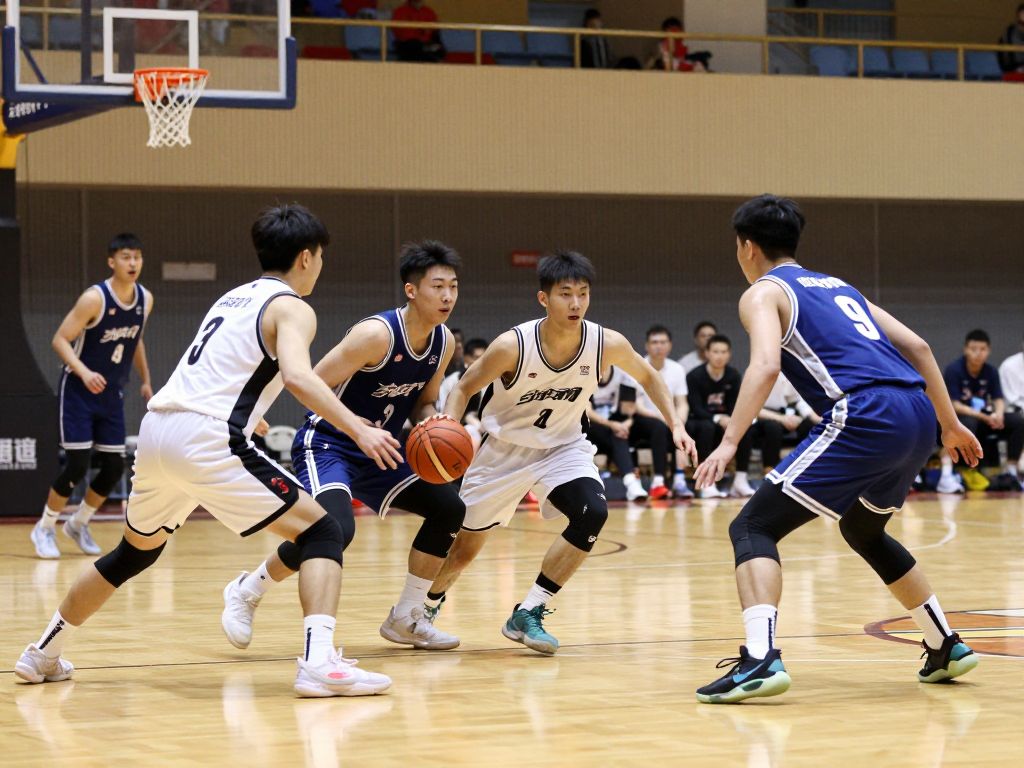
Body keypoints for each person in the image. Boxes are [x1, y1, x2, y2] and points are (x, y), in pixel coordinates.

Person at [16, 205, 400, 698]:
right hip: (207, 437)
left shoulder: (233, 297)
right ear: (306, 257)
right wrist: (358, 430)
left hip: (159, 430)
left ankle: (41, 652)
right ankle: (319, 662)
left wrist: (254, 413)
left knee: (131, 554)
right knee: (323, 529)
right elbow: (300, 377)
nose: (320, 266)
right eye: (320, 256)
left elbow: (220, 370)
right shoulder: (294, 306)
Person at [693, 195, 982, 704]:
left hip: (865, 412)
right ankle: (944, 645)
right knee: (864, 528)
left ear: (746, 246)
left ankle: (760, 659)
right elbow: (919, 347)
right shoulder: (838, 285)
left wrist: (730, 441)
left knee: (753, 526)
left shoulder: (763, 292)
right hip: (915, 411)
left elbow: (763, 366)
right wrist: (950, 423)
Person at [425, 251, 697, 655]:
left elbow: (649, 376)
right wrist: (448, 425)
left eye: (583, 294)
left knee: (593, 512)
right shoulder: (512, 345)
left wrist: (676, 423)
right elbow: (464, 387)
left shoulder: (605, 342)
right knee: (465, 548)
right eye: (565, 294)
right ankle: (425, 606)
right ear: (543, 299)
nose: (575, 303)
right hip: (504, 451)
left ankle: (529, 611)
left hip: (564, 446)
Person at [221, 241, 466, 653]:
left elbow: (423, 401)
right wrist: (354, 429)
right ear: (411, 291)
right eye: (437, 286)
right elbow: (311, 380)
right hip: (330, 443)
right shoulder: (376, 335)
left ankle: (406, 617)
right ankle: (248, 589)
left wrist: (436, 427)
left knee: (449, 508)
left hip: (381, 447)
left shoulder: (443, 344)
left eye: (453, 287)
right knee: (336, 530)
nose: (447, 296)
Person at [30, 234, 154, 560]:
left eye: (137, 257)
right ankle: (44, 528)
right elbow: (60, 339)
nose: (133, 263)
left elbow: (135, 340)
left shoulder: (145, 299)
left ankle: (79, 523)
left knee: (114, 466)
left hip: (111, 393)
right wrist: (84, 372)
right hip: (79, 393)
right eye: (126, 257)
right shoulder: (94, 299)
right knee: (77, 464)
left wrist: (146, 380)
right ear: (112, 261)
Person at [939, 329, 1024, 492]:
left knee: (1017, 421)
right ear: (965, 349)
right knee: (968, 423)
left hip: (984, 419)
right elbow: (954, 405)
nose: (978, 353)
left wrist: (999, 413)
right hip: (959, 419)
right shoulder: (954, 370)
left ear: (989, 350)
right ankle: (947, 475)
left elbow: (998, 398)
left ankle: (1011, 472)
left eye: (983, 349)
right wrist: (984, 417)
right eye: (973, 349)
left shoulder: (991, 371)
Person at [627, 325, 692, 499]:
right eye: (654, 342)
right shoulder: (637, 366)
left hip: (670, 421)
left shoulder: (677, 369)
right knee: (659, 427)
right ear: (647, 346)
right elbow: (636, 404)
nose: (659, 346)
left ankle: (680, 479)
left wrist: (679, 424)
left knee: (693, 427)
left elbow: (682, 403)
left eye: (663, 342)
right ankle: (658, 482)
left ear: (670, 345)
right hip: (643, 419)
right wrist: (668, 421)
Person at [685, 334, 748, 498]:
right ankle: (707, 482)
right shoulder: (694, 376)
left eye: (723, 352)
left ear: (729, 354)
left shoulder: (733, 375)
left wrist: (730, 420)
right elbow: (696, 408)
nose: (719, 356)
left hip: (724, 420)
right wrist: (718, 418)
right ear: (707, 353)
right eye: (715, 352)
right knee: (707, 427)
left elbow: (735, 405)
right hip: (699, 421)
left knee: (746, 427)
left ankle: (740, 480)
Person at [586, 364, 647, 501]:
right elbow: (587, 412)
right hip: (589, 427)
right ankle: (630, 481)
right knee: (613, 432)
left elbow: (628, 411)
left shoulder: (625, 375)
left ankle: (631, 483)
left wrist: (624, 425)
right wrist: (612, 425)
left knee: (619, 434)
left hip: (615, 426)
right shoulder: (585, 371)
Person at [757, 373, 820, 469]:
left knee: (808, 425)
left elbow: (798, 400)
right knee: (773, 427)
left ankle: (805, 464)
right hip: (763, 415)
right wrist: (781, 418)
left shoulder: (790, 371)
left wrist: (810, 416)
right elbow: (754, 409)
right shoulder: (759, 374)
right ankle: (770, 468)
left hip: (787, 412)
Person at [437, 336, 487, 449]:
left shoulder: (493, 383)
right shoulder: (451, 382)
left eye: (485, 358)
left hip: (484, 433)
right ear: (466, 359)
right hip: (453, 434)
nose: (482, 362)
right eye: (477, 357)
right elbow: (442, 413)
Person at [998, 4, 1024, 74]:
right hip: (1013, 72)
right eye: (1021, 23)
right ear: (1017, 20)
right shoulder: (1009, 34)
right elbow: (1005, 63)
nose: (1023, 27)